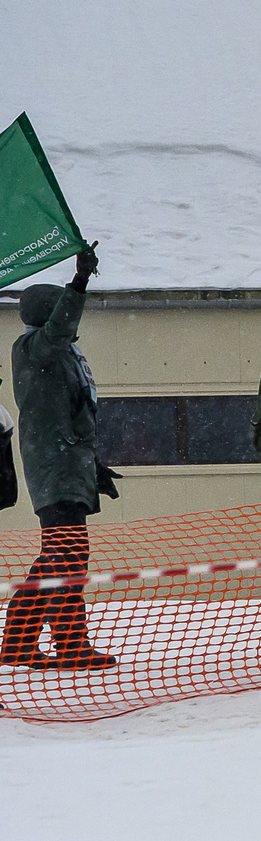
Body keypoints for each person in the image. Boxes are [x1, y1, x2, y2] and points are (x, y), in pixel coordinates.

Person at [2, 240, 117, 671]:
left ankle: (19, 640)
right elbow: (60, 328)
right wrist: (80, 280)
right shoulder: (35, 349)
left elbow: (73, 415)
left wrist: (93, 464)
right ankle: (71, 645)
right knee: (67, 557)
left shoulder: (58, 353)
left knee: (59, 556)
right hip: (54, 466)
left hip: (67, 463)